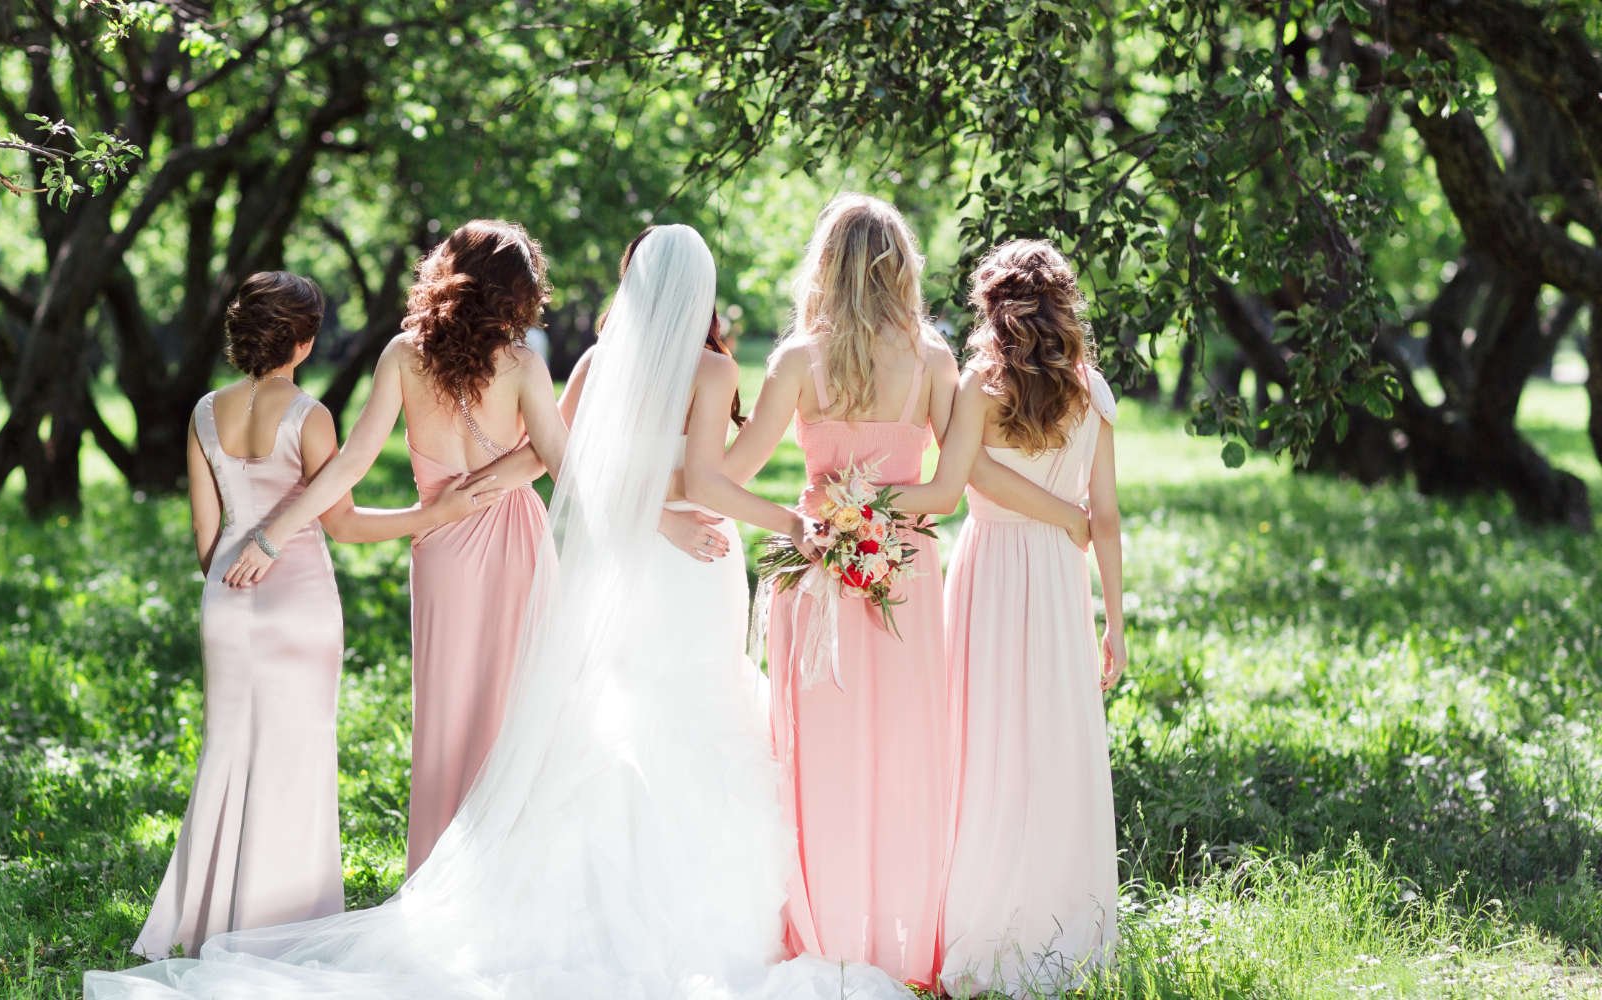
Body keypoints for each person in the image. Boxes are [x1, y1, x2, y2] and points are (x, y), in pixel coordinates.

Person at [86, 226, 911, 1000]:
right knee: (521, 712)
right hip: (521, 539)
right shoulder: (527, 363)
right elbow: (570, 468)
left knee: (466, 711)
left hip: (442, 545)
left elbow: (356, 468)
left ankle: (444, 872)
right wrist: (658, 516)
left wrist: (271, 529)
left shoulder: (417, 354)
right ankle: (476, 870)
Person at [717, 195, 1086, 989]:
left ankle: (822, 933)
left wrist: (807, 515)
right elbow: (948, 490)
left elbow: (722, 478)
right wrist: (878, 508)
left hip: (815, 571)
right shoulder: (931, 360)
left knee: (817, 758)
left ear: (825, 266)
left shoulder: (795, 362)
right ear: (901, 269)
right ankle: (904, 943)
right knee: (909, 756)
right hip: (906, 577)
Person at [135, 271, 498, 958]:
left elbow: (207, 545)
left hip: (226, 602)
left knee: (229, 750)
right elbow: (346, 525)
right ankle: (285, 919)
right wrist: (435, 514)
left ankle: (212, 916)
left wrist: (235, 571)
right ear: (302, 343)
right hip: (299, 602)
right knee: (297, 757)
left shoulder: (205, 413)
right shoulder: (310, 416)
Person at [932, 239, 1123, 997]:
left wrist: (1070, 525)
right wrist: (1114, 618)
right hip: (1053, 574)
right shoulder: (1091, 391)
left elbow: (968, 474)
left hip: (990, 567)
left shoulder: (980, 384)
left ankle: (987, 919)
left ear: (992, 307)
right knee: (1050, 737)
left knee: (986, 734)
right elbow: (1103, 517)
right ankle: (1056, 926)